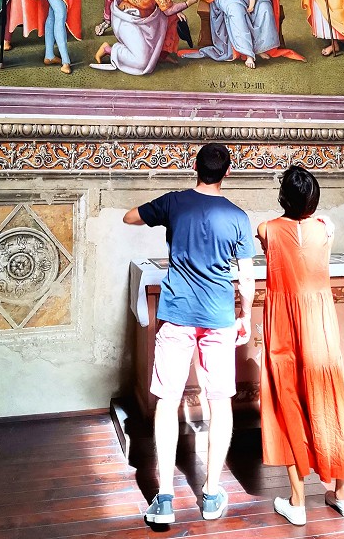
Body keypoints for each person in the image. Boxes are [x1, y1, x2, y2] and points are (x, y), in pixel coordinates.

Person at [122, 143, 256, 526]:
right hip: (217, 318)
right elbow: (245, 276)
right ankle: (211, 493)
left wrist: (159, 215)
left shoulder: (174, 202)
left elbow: (131, 217)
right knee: (220, 403)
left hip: (178, 315)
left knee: (167, 401)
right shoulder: (237, 217)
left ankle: (164, 498)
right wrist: (244, 315)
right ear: (228, 172)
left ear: (194, 167)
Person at [257, 165, 344, 527]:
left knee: (288, 401)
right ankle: (342, 495)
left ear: (283, 197)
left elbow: (275, 231)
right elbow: (315, 223)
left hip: (284, 323)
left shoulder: (266, 230)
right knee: (329, 399)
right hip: (320, 323)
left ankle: (298, 501)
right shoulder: (326, 230)